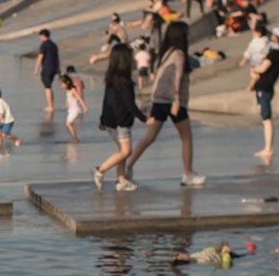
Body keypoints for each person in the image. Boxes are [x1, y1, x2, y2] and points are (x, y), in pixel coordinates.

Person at [124, 19, 203, 188]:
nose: (189, 36)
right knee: (186, 137)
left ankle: (128, 167)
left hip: (159, 99)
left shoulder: (166, 53)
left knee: (149, 137)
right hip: (173, 101)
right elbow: (176, 79)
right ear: (181, 35)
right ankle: (188, 174)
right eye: (187, 33)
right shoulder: (179, 55)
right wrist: (176, 102)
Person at [90, 41, 141, 192]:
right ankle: (100, 170)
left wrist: (102, 119)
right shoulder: (124, 82)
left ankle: (121, 180)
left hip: (111, 121)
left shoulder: (112, 78)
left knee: (121, 152)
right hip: (121, 123)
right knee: (126, 151)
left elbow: (107, 100)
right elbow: (130, 104)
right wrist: (144, 118)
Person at [249, 29, 279, 159]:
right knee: (265, 118)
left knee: (266, 118)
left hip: (265, 87)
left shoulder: (274, 53)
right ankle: (268, 147)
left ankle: (268, 148)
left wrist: (253, 69)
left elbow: (263, 68)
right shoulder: (275, 52)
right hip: (265, 86)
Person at [35, 29, 60, 114]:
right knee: (49, 87)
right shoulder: (53, 45)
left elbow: (40, 57)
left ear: (42, 36)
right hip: (53, 68)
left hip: (46, 68)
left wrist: (36, 69)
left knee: (47, 88)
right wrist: (58, 69)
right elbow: (57, 58)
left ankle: (50, 106)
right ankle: (51, 105)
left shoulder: (44, 45)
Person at [59, 67, 87, 141]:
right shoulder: (67, 90)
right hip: (71, 110)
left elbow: (79, 98)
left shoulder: (73, 89)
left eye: (62, 84)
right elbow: (69, 98)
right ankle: (74, 137)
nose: (61, 86)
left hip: (76, 110)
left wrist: (84, 107)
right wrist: (67, 103)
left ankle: (75, 138)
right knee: (69, 124)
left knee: (68, 124)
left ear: (67, 82)